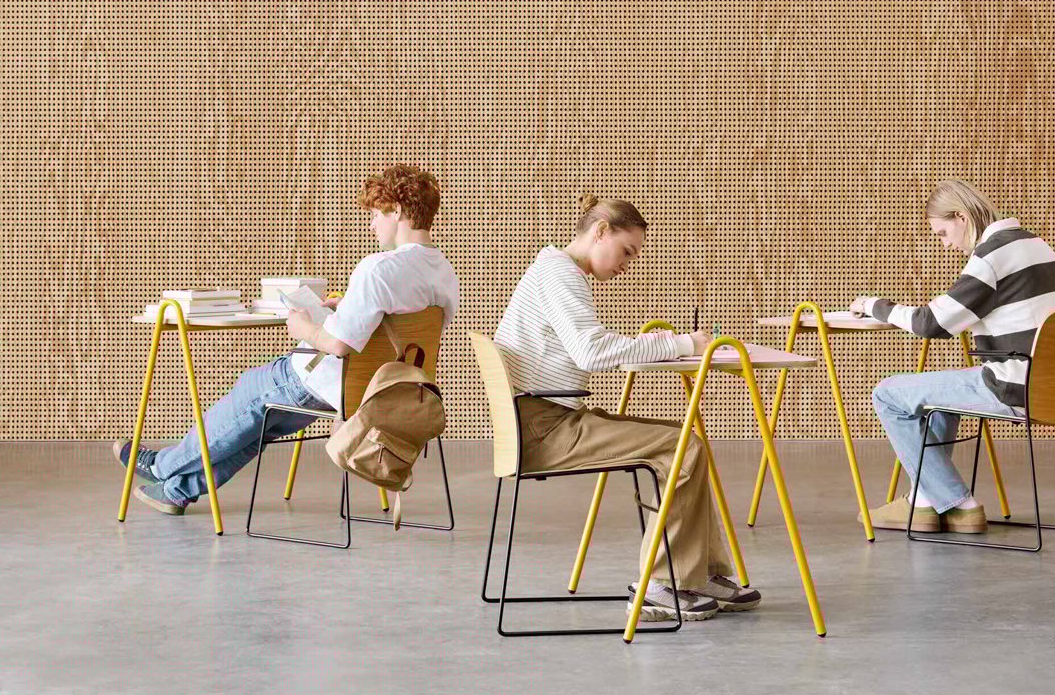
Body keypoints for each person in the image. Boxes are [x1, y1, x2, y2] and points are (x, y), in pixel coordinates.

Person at [116, 165, 460, 514]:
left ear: (397, 210)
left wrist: (302, 327)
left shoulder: (378, 268)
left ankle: (160, 466)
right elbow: (402, 328)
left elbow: (338, 345)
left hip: (329, 381)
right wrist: (347, 307)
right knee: (260, 425)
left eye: (375, 214)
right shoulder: (443, 271)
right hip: (382, 392)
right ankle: (176, 490)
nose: (372, 225)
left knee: (252, 390)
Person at [494, 195, 760, 622]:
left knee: (685, 441)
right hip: (543, 429)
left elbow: (588, 343)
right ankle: (662, 583)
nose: (627, 265)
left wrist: (658, 345)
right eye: (626, 251)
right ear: (601, 231)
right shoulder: (559, 273)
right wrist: (682, 343)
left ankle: (698, 573)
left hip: (545, 418)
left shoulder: (554, 269)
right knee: (683, 448)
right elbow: (591, 352)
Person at [851, 179, 1055, 533]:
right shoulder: (1036, 244)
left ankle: (959, 505)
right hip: (1054, 390)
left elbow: (931, 323)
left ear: (962, 217)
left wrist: (874, 305)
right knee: (935, 398)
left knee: (887, 394)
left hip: (1012, 387)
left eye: (943, 233)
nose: (946, 244)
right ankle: (923, 502)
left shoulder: (992, 256)